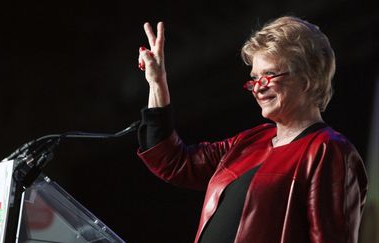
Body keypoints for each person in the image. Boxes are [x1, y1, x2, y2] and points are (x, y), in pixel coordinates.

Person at [135, 16, 368, 243]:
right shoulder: (249, 142)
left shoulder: (330, 151)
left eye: (269, 75)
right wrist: (157, 82)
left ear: (307, 79)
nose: (258, 88)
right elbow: (173, 161)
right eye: (254, 78)